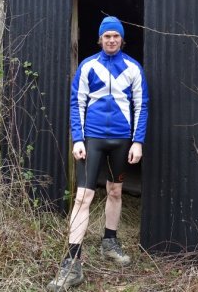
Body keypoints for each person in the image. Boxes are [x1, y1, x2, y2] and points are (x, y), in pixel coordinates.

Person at [47, 16, 149, 291]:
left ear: (122, 39)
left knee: (115, 191)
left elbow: (142, 106)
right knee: (83, 197)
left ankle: (109, 242)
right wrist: (77, 138)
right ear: (100, 39)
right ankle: (72, 263)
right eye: (107, 36)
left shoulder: (133, 68)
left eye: (116, 36)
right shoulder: (88, 65)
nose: (112, 40)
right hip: (91, 139)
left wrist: (137, 142)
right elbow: (76, 102)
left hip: (121, 140)